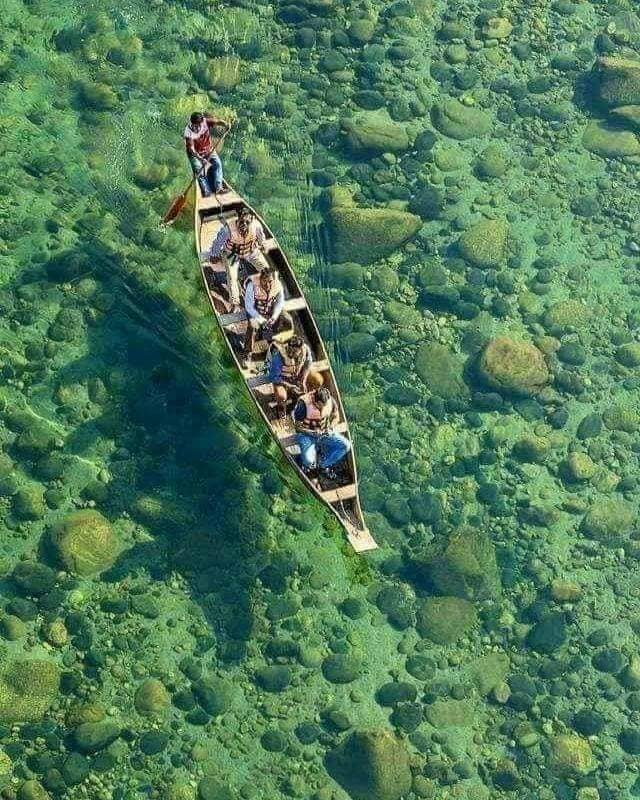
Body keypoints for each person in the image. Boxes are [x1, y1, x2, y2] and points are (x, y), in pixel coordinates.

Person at [208, 208, 269, 310]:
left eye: (247, 222)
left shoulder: (256, 226)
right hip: (232, 254)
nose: (244, 224)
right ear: (238, 218)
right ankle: (235, 303)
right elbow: (218, 243)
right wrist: (214, 254)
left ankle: (270, 293)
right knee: (232, 277)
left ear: (252, 220)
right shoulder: (228, 229)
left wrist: (263, 245)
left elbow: (261, 237)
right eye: (242, 221)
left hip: (250, 252)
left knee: (267, 271)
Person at [293, 386, 351, 480]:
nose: (324, 407)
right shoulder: (303, 404)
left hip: (324, 433)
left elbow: (336, 417)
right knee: (308, 460)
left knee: (346, 445)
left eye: (325, 404)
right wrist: (312, 432)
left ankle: (323, 465)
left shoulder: (329, 400)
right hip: (306, 435)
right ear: (316, 402)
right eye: (321, 405)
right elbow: (297, 427)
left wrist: (330, 428)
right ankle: (306, 464)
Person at [242, 266, 291, 367]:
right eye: (265, 281)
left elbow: (279, 303)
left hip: (269, 312)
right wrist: (261, 320)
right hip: (255, 313)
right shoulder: (252, 285)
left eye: (270, 281)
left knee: (287, 320)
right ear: (261, 279)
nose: (267, 284)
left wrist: (274, 316)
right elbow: (249, 307)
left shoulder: (278, 286)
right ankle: (247, 353)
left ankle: (272, 344)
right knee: (253, 326)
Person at [267, 335, 323, 419]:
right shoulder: (278, 357)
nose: (290, 354)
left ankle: (301, 398)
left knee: (318, 380)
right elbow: (273, 377)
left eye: (294, 352)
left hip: (296, 375)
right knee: (281, 396)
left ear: (300, 350)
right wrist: (290, 386)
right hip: (282, 379)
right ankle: (281, 408)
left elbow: (308, 363)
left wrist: (303, 379)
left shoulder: (305, 350)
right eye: (289, 350)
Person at [184, 111, 229, 198]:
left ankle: (218, 188)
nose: (197, 128)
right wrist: (201, 159)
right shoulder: (188, 133)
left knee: (217, 164)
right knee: (200, 172)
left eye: (199, 125)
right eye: (195, 126)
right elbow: (192, 150)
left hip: (208, 150)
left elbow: (217, 121)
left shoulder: (205, 121)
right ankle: (207, 193)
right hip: (195, 155)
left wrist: (225, 124)